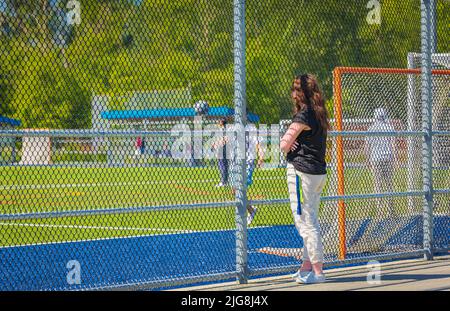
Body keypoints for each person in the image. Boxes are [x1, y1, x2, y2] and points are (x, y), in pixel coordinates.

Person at [280, 74, 330, 284]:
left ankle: (318, 272)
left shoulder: (303, 115)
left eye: (295, 89)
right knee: (311, 219)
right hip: (318, 173)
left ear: (301, 93)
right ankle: (306, 266)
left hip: (302, 172)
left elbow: (283, 144)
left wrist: (287, 143)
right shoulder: (319, 113)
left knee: (305, 222)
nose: (292, 94)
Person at [228, 121, 264, 225]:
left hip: (248, 162)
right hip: (234, 162)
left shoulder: (251, 128)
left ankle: (244, 215)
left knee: (240, 188)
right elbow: (226, 140)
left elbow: (258, 144)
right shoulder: (232, 127)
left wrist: (261, 157)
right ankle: (251, 210)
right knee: (235, 191)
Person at [365, 108, 396, 216]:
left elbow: (367, 147)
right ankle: (390, 210)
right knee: (389, 185)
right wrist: (395, 159)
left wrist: (367, 160)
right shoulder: (389, 127)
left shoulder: (371, 129)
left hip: (375, 159)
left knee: (378, 186)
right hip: (388, 158)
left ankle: (380, 211)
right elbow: (393, 145)